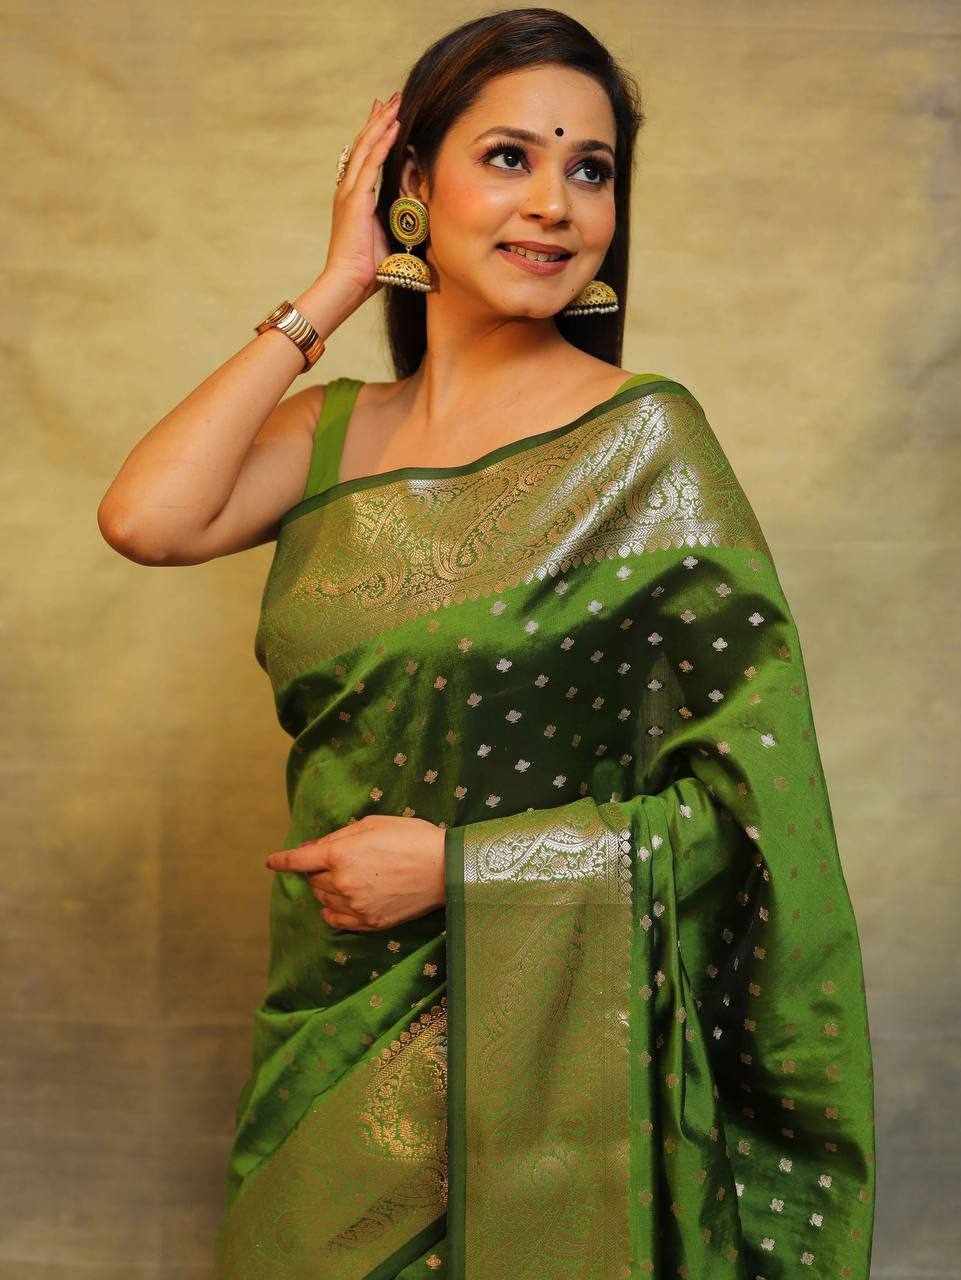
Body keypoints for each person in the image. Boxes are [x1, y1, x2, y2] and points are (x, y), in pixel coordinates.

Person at [97, 8, 877, 1278]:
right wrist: (336, 287)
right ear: (413, 182)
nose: (555, 206)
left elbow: (752, 812)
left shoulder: (644, 445)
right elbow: (144, 518)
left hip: (556, 1063)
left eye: (591, 169)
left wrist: (462, 869)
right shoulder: (330, 431)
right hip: (333, 1016)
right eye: (509, 157)